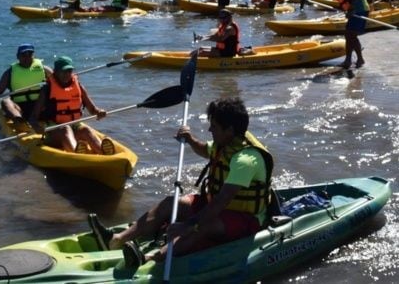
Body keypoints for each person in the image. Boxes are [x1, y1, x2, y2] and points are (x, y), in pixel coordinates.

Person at [88, 97, 273, 269]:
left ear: (230, 130)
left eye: (214, 126)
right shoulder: (228, 141)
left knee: (203, 226)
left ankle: (150, 259)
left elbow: (220, 202)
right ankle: (116, 239)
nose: (210, 130)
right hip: (215, 205)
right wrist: (191, 140)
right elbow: (206, 150)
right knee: (170, 203)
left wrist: (189, 224)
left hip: (245, 218)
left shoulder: (246, 160)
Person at [31, 56, 112, 155]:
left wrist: (99, 112)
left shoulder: (78, 86)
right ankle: (77, 154)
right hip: (53, 132)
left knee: (86, 130)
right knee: (66, 128)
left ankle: (103, 152)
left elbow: (92, 109)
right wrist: (36, 126)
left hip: (74, 126)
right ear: (56, 72)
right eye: (64, 71)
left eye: (69, 71)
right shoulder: (47, 89)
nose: (67, 74)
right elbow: (33, 117)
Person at [0, 44, 53, 130]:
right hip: (20, 108)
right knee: (5, 101)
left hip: (40, 106)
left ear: (34, 55)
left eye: (30, 54)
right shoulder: (9, 73)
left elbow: (58, 84)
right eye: (23, 55)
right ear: (18, 56)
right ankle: (20, 121)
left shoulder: (45, 69)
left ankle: (36, 120)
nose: (27, 58)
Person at [322, 0, 369, 69]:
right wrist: (346, 10)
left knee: (351, 34)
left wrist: (351, 9)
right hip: (356, 11)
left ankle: (358, 59)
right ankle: (349, 60)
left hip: (360, 10)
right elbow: (346, 1)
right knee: (349, 35)